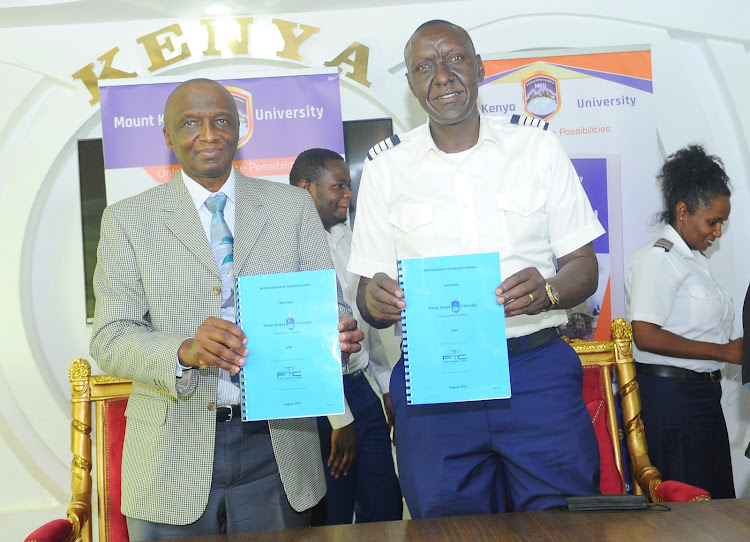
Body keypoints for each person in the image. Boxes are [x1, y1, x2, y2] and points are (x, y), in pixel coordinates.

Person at [347, 20, 604, 517]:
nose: (441, 76)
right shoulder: (386, 169)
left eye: (454, 59)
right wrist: (374, 301)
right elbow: (367, 295)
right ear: (411, 85)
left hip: (534, 372)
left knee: (563, 523)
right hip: (434, 382)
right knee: (447, 527)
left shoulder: (537, 148)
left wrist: (549, 292)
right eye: (424, 66)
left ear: (481, 68)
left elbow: (583, 267)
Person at [89, 78, 363, 540]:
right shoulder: (127, 220)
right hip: (169, 453)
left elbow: (328, 305)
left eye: (220, 121)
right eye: (190, 123)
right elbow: (110, 336)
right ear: (167, 136)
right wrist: (183, 350)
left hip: (277, 450)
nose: (209, 134)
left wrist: (336, 333)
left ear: (240, 129)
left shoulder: (292, 207)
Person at [290, 148, 403, 525]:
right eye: (338, 186)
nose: (348, 195)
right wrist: (340, 420)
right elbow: (302, 344)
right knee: (333, 519)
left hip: (360, 387)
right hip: (319, 404)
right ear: (306, 189)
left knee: (385, 505)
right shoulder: (282, 249)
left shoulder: (348, 238)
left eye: (348, 186)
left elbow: (362, 323)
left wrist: (387, 387)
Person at [626, 144, 742, 498]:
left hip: (701, 398)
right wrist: (724, 353)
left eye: (722, 222)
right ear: (682, 210)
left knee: (715, 509)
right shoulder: (658, 259)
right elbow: (644, 335)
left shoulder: (693, 262)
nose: (718, 232)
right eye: (713, 221)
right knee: (686, 515)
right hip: (671, 404)